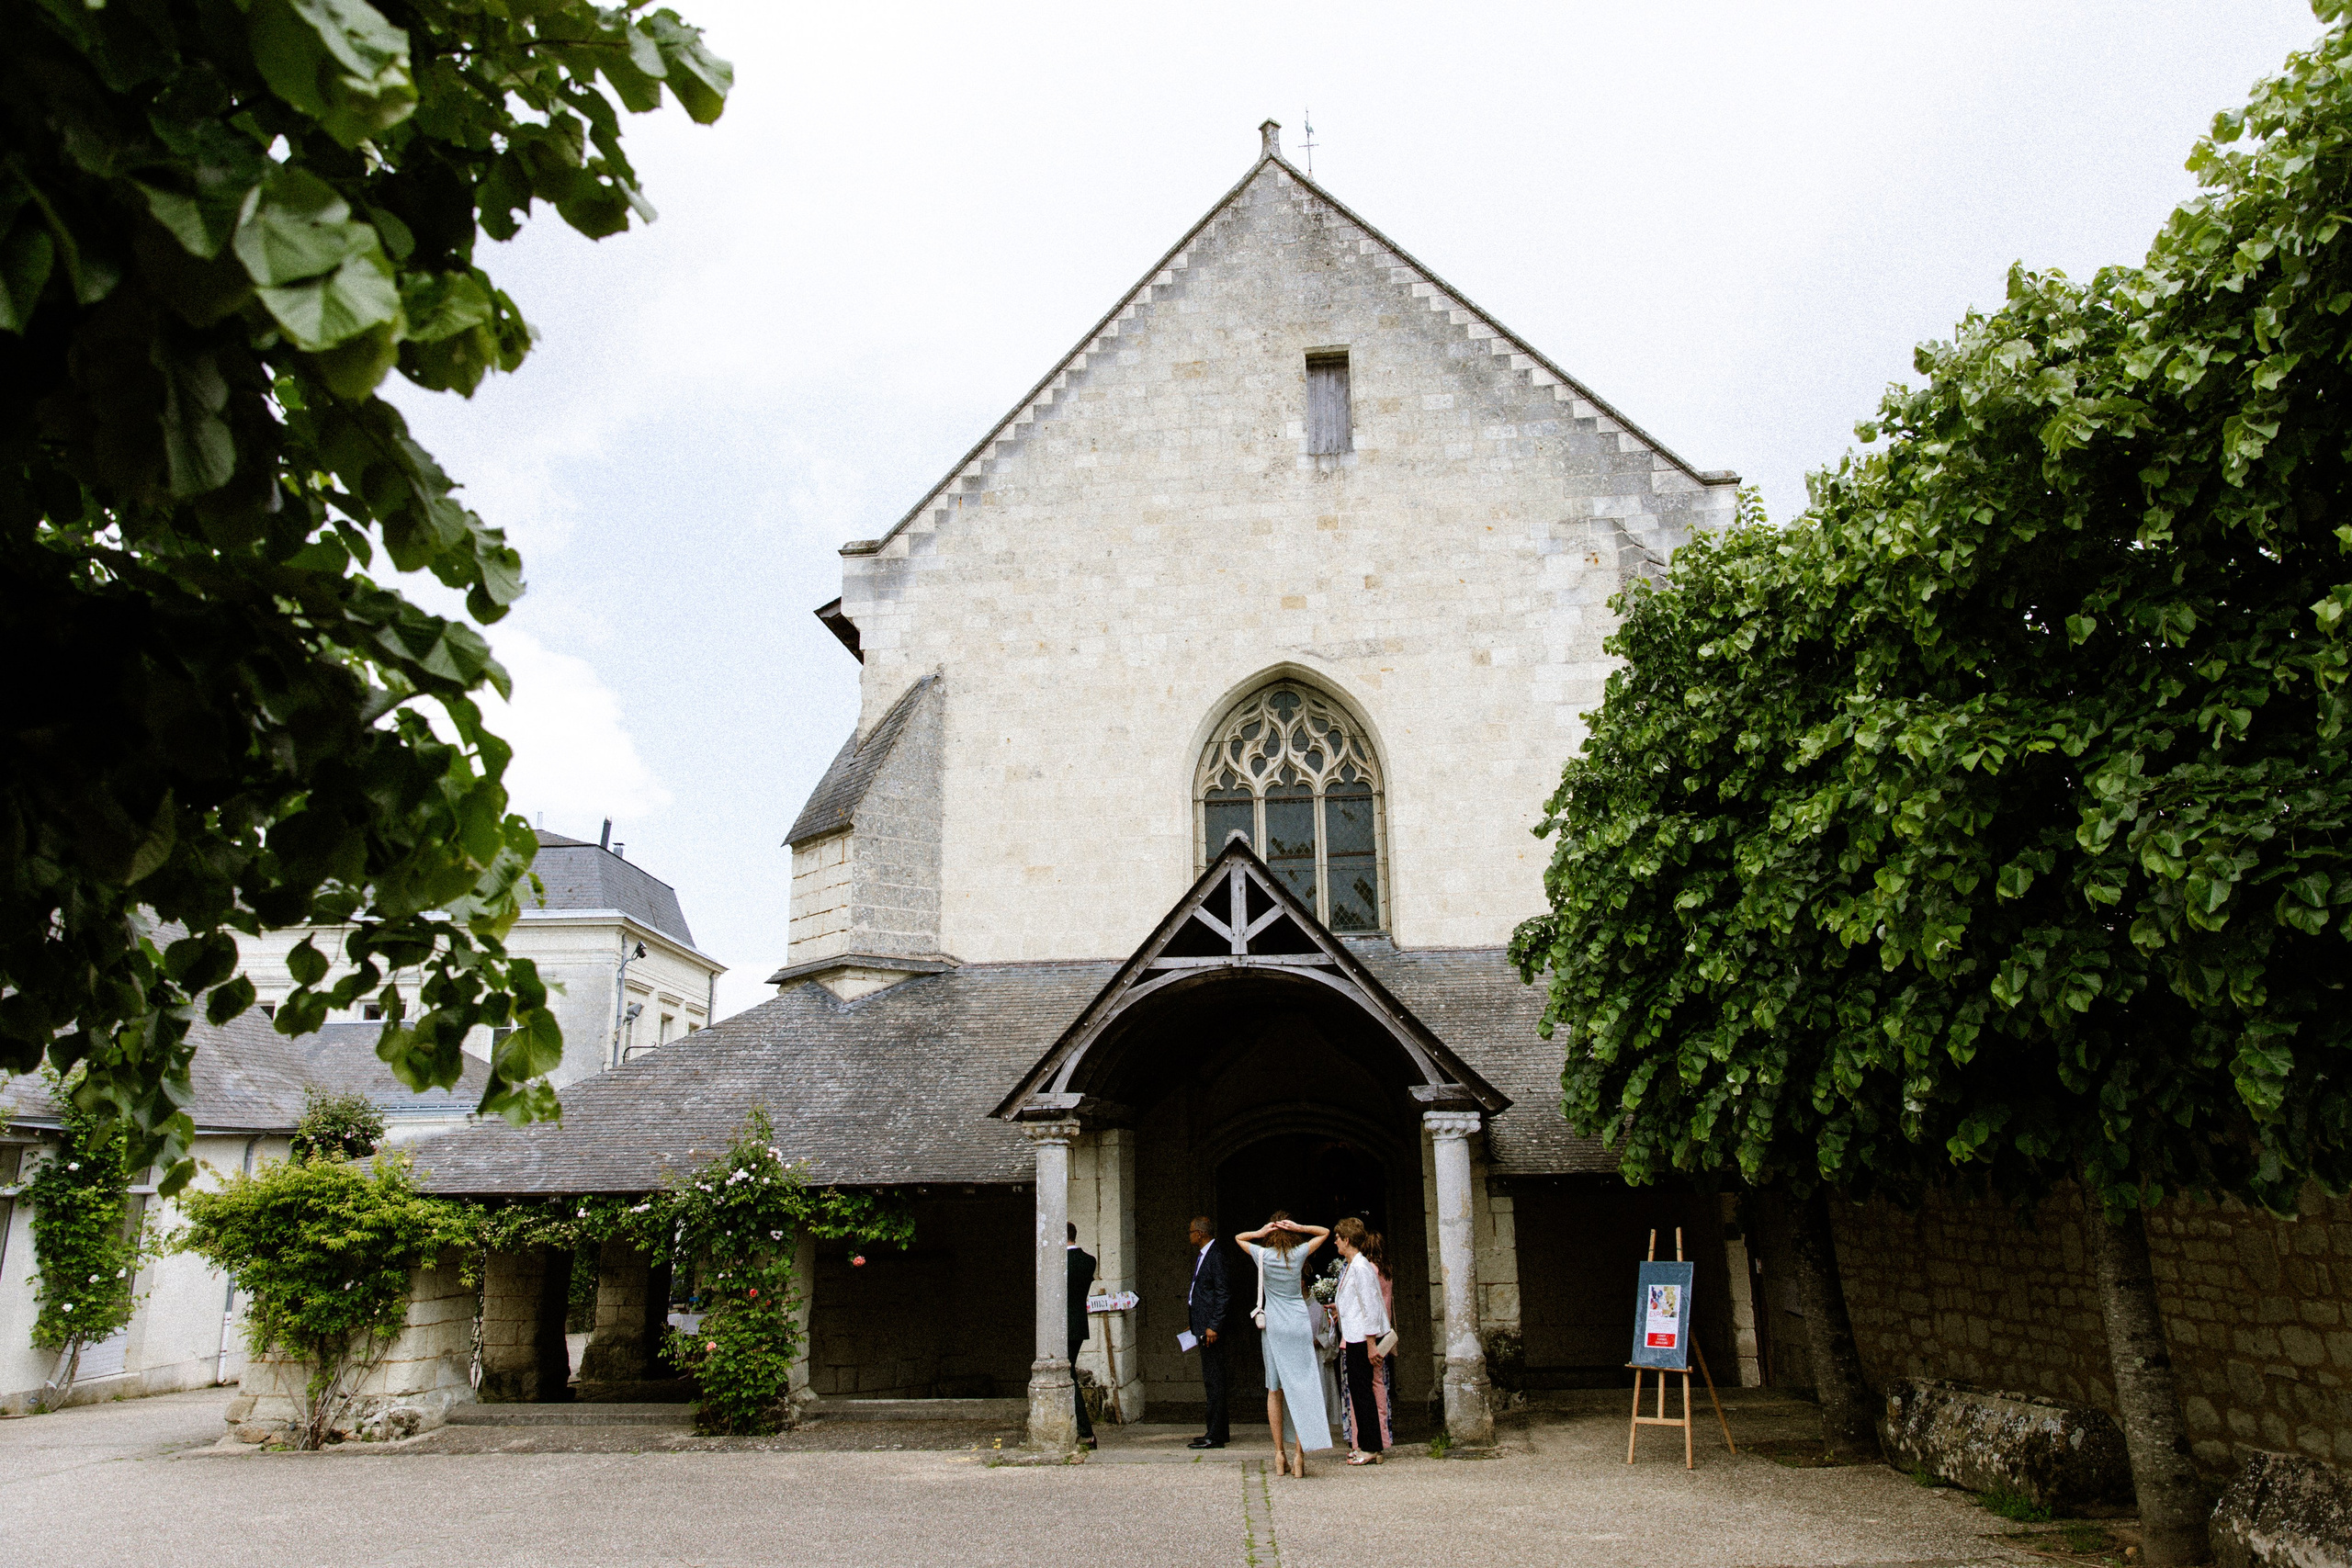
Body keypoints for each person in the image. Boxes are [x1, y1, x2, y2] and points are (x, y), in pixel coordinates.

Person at [1234, 1211, 1333, 1478]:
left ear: (1271, 1236)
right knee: (1303, 1388)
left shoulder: (1263, 1256)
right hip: (1298, 1324)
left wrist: (1259, 1233)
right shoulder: (1299, 1254)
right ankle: (1300, 1457)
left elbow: (1238, 1238)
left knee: (1274, 1389)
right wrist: (1301, 1226)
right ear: (1290, 1234)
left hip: (1275, 1325)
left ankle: (1279, 1455)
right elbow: (1324, 1232)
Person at [1332, 1216, 1390, 1465]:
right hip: (1354, 1336)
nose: (1335, 1241)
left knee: (1363, 1393)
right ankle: (1368, 1444)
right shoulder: (1353, 1265)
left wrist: (1370, 1344)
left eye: (1337, 1238)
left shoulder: (1361, 1267)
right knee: (1358, 1392)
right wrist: (1338, 1308)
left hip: (1361, 1339)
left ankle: (1371, 1447)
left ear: (1347, 1240)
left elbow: (1370, 1307)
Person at [1184, 1215, 1232, 1450]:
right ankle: (1217, 1430)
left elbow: (1223, 1293)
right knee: (1212, 1380)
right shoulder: (1204, 1256)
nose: (1190, 1235)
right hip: (1202, 1325)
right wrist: (1195, 1322)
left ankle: (1215, 1434)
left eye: (1191, 1231)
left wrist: (1213, 1325)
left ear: (1200, 1233)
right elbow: (1201, 1293)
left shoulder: (1216, 1256)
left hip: (1211, 1330)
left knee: (1214, 1381)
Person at [1363, 1228, 1396, 1449]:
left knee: (1374, 1384)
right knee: (1383, 1382)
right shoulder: (1387, 1270)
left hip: (1375, 1331)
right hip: (1387, 1330)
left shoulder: (1371, 1270)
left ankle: (1378, 1435)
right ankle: (1386, 1432)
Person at [1067, 1222, 1097, 1449]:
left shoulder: (1058, 1262)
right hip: (1078, 1323)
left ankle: (1085, 1430)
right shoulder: (1089, 1261)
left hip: (1060, 1326)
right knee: (1069, 1372)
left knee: (1067, 1375)